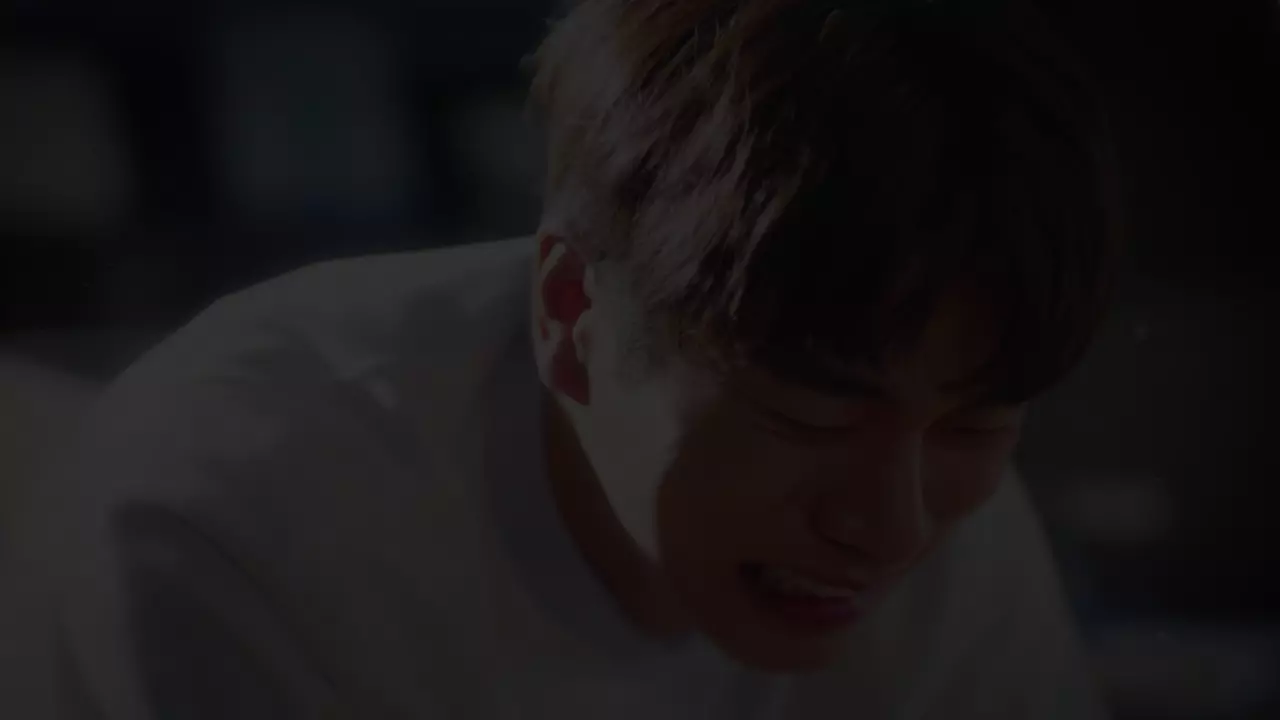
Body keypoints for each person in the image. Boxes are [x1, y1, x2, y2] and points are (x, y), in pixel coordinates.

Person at [1, 0, 1124, 717]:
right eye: (809, 417)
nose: (892, 525)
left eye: (975, 422)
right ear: (570, 310)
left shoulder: (942, 519)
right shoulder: (231, 533)